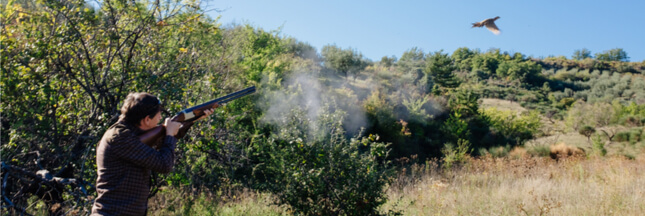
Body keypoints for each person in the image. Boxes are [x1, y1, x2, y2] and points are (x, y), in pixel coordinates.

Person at [91, 92, 213, 215]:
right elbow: (164, 165)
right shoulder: (120, 137)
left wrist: (192, 120)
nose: (160, 118)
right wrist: (169, 134)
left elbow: (162, 142)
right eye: (158, 115)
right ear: (147, 120)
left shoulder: (130, 133)